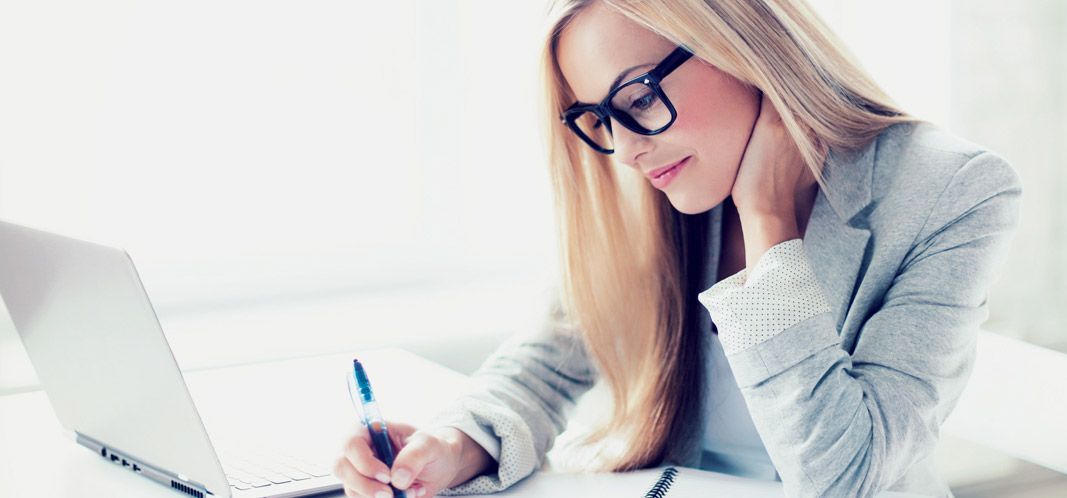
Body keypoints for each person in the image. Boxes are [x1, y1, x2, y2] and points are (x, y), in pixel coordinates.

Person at [332, 0, 1023, 497]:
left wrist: (767, 220)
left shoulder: (952, 190)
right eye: (597, 118)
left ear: (741, 42)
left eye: (638, 96)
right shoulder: (653, 192)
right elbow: (544, 365)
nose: (627, 148)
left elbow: (842, 477)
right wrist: (456, 444)